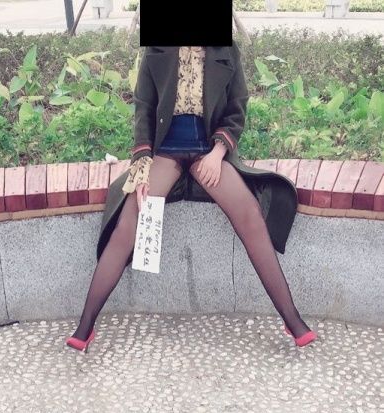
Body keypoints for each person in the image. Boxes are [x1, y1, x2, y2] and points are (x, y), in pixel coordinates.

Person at [66, 43, 317, 353]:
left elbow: (237, 106)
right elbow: (144, 109)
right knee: (131, 218)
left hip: (209, 151)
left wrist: (218, 152)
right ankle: (85, 325)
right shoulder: (157, 50)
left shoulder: (225, 50)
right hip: (165, 151)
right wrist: (142, 166)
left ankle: (292, 320)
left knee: (250, 213)